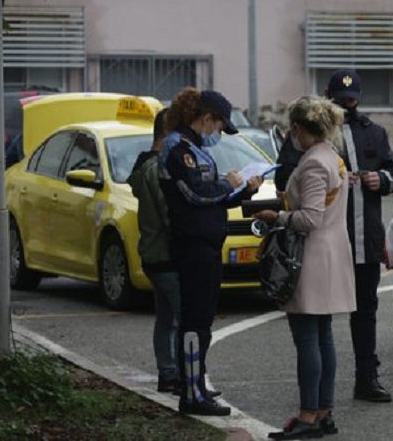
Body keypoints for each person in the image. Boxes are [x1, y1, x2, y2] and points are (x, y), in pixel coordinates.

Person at [273, 69, 393, 403]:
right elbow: (284, 176)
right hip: (323, 239)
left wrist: (380, 179)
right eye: (340, 100)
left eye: (352, 100)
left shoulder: (372, 132)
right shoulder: (308, 139)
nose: (347, 105)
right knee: (321, 325)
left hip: (362, 238)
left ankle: (367, 376)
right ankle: (320, 399)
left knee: (365, 312)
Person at [255, 96, 356, 440]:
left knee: (307, 339)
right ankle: (323, 411)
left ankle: (308, 414)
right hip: (331, 253)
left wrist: (277, 216)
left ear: (298, 128)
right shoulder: (333, 157)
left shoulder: (313, 163)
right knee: (323, 336)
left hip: (311, 257)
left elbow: (310, 218)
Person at [159, 88, 262, 416]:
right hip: (192, 247)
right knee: (194, 321)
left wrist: (242, 190)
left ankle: (196, 383)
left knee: (202, 321)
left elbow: (212, 198)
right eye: (218, 126)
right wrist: (228, 185)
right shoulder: (178, 148)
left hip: (206, 244)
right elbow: (194, 194)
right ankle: (191, 392)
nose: (218, 133)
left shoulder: (195, 148)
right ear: (206, 119)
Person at [128, 108, 180, 395]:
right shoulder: (158, 167)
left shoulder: (144, 167)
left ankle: (168, 374)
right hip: (169, 255)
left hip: (154, 254)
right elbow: (170, 214)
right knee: (184, 319)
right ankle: (186, 378)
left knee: (166, 319)